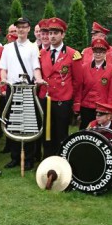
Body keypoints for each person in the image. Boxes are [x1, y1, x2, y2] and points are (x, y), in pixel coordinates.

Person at [0, 17, 45, 170]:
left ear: (28, 29)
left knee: (29, 124)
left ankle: (30, 158)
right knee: (12, 123)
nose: (21, 29)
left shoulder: (33, 47)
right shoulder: (8, 48)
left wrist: (38, 79)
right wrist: (4, 80)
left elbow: (35, 67)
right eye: (19, 27)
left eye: (24, 27)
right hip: (12, 89)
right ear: (16, 29)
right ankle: (14, 157)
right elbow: (3, 69)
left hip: (27, 89)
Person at [38, 17, 82, 159]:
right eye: (50, 33)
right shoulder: (42, 53)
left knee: (61, 133)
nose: (52, 36)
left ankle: (61, 160)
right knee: (46, 131)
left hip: (62, 100)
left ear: (62, 35)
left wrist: (74, 102)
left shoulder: (72, 54)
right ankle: (47, 160)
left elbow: (77, 81)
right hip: (45, 98)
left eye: (56, 33)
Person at [77, 36, 112, 128]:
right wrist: (77, 105)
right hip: (86, 106)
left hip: (102, 108)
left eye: (101, 52)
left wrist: (110, 111)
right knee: (85, 132)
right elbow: (79, 88)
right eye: (96, 51)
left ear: (105, 53)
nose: (98, 54)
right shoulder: (83, 67)